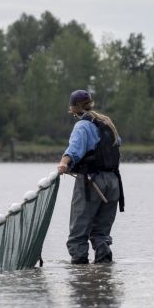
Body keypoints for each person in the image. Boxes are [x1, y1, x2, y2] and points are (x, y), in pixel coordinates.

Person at [56, 90, 124, 264]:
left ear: (72, 108)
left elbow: (74, 150)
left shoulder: (83, 126)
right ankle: (103, 274)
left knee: (78, 232)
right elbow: (117, 144)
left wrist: (64, 163)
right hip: (113, 183)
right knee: (101, 233)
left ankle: (80, 275)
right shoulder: (107, 122)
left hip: (92, 182)